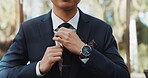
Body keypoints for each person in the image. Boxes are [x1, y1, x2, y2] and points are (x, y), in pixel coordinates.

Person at [0, 0, 130, 78]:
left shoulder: (102, 29)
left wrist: (85, 51)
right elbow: (3, 73)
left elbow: (122, 75)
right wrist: (38, 68)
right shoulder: (28, 29)